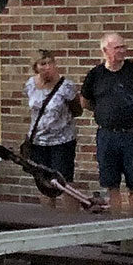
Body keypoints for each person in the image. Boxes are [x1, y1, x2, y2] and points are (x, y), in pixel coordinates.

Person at [81, 31, 133, 217]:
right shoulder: (95, 75)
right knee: (111, 184)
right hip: (107, 136)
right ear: (105, 51)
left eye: (124, 47)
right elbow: (86, 102)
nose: (122, 51)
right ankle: (115, 225)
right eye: (118, 48)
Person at [23, 51, 82, 190]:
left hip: (62, 141)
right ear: (36, 67)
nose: (48, 67)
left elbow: (77, 110)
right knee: (44, 184)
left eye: (51, 63)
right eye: (43, 64)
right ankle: (48, 212)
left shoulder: (66, 86)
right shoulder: (30, 84)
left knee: (64, 182)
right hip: (38, 141)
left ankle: (69, 212)